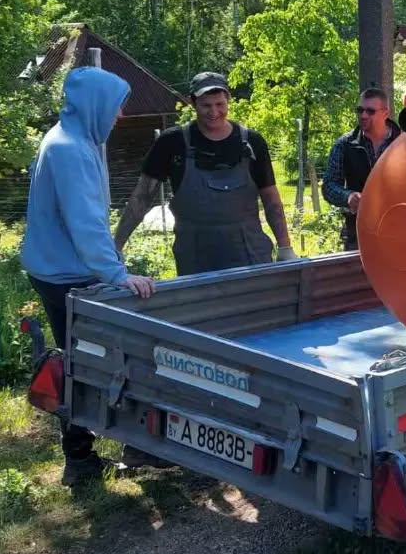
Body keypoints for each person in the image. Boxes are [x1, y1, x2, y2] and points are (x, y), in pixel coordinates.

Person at [20, 67, 156, 486]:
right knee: (94, 361)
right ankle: (90, 455)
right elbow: (85, 223)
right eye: (116, 108)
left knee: (85, 359)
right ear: (96, 104)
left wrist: (111, 262)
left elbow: (90, 217)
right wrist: (117, 273)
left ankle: (97, 451)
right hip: (66, 274)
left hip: (62, 267)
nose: (119, 118)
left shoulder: (78, 138)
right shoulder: (69, 149)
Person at [114, 72, 296, 275]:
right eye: (206, 105)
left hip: (249, 250)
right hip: (195, 254)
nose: (214, 112)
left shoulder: (251, 142)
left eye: (220, 104)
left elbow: (271, 200)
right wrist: (116, 248)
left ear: (228, 100)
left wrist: (285, 247)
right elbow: (142, 196)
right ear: (193, 103)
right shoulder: (172, 143)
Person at [322, 87, 401, 251]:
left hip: (399, 232)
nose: (363, 115)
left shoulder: (404, 143)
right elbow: (328, 185)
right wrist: (348, 196)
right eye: (360, 110)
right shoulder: (345, 144)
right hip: (357, 233)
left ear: (385, 113)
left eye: (370, 111)